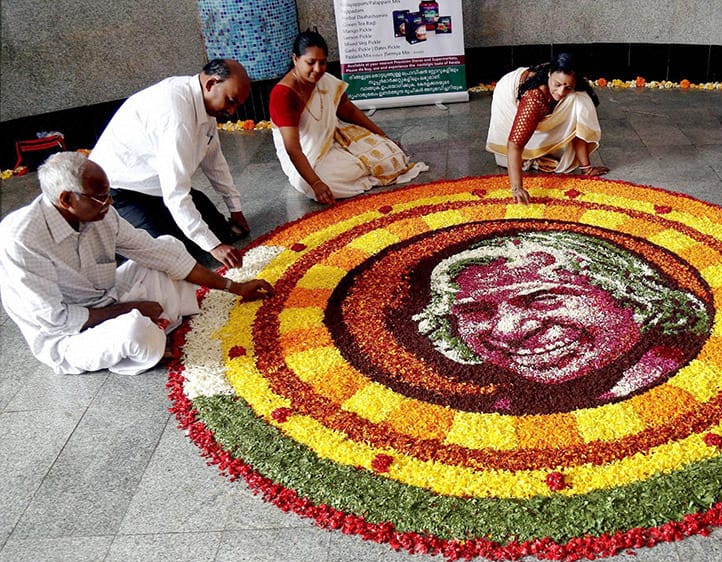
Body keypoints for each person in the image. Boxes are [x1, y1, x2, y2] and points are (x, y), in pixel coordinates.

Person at [0, 152, 273, 376]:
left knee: (169, 246)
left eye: (109, 195)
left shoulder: (102, 214)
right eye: (100, 197)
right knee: (134, 331)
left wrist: (235, 287)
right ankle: (150, 330)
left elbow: (161, 254)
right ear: (67, 200)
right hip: (67, 335)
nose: (108, 203)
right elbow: (56, 319)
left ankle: (155, 326)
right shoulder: (22, 239)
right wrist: (130, 308)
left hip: (107, 298)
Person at [414, 231, 709, 409]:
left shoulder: (691, 382)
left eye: (542, 298)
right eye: (476, 311)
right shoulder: (502, 407)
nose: (507, 331)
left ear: (631, 295)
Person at [89, 59, 253, 269]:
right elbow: (175, 193)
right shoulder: (177, 115)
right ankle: (112, 235)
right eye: (231, 101)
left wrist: (235, 209)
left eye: (237, 105)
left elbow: (214, 161)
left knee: (221, 231)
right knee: (168, 254)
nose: (232, 112)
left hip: (157, 186)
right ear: (211, 84)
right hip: (120, 192)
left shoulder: (205, 104)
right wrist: (214, 247)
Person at [269, 31, 428, 205]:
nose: (317, 69)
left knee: (392, 153)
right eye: (310, 62)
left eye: (322, 63)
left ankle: (360, 169)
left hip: (335, 138)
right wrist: (316, 183)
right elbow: (293, 149)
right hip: (306, 156)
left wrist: (383, 136)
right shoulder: (283, 94)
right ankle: (364, 174)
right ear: (295, 59)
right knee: (316, 184)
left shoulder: (325, 80)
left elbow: (350, 112)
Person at [486, 53, 607, 205]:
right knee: (519, 144)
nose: (561, 92)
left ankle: (543, 154)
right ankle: (530, 157)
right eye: (557, 84)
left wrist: (586, 169)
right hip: (508, 92)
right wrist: (517, 188)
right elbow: (514, 145)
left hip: (539, 94)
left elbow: (578, 123)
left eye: (568, 87)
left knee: (580, 102)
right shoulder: (533, 99)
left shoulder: (572, 90)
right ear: (550, 75)